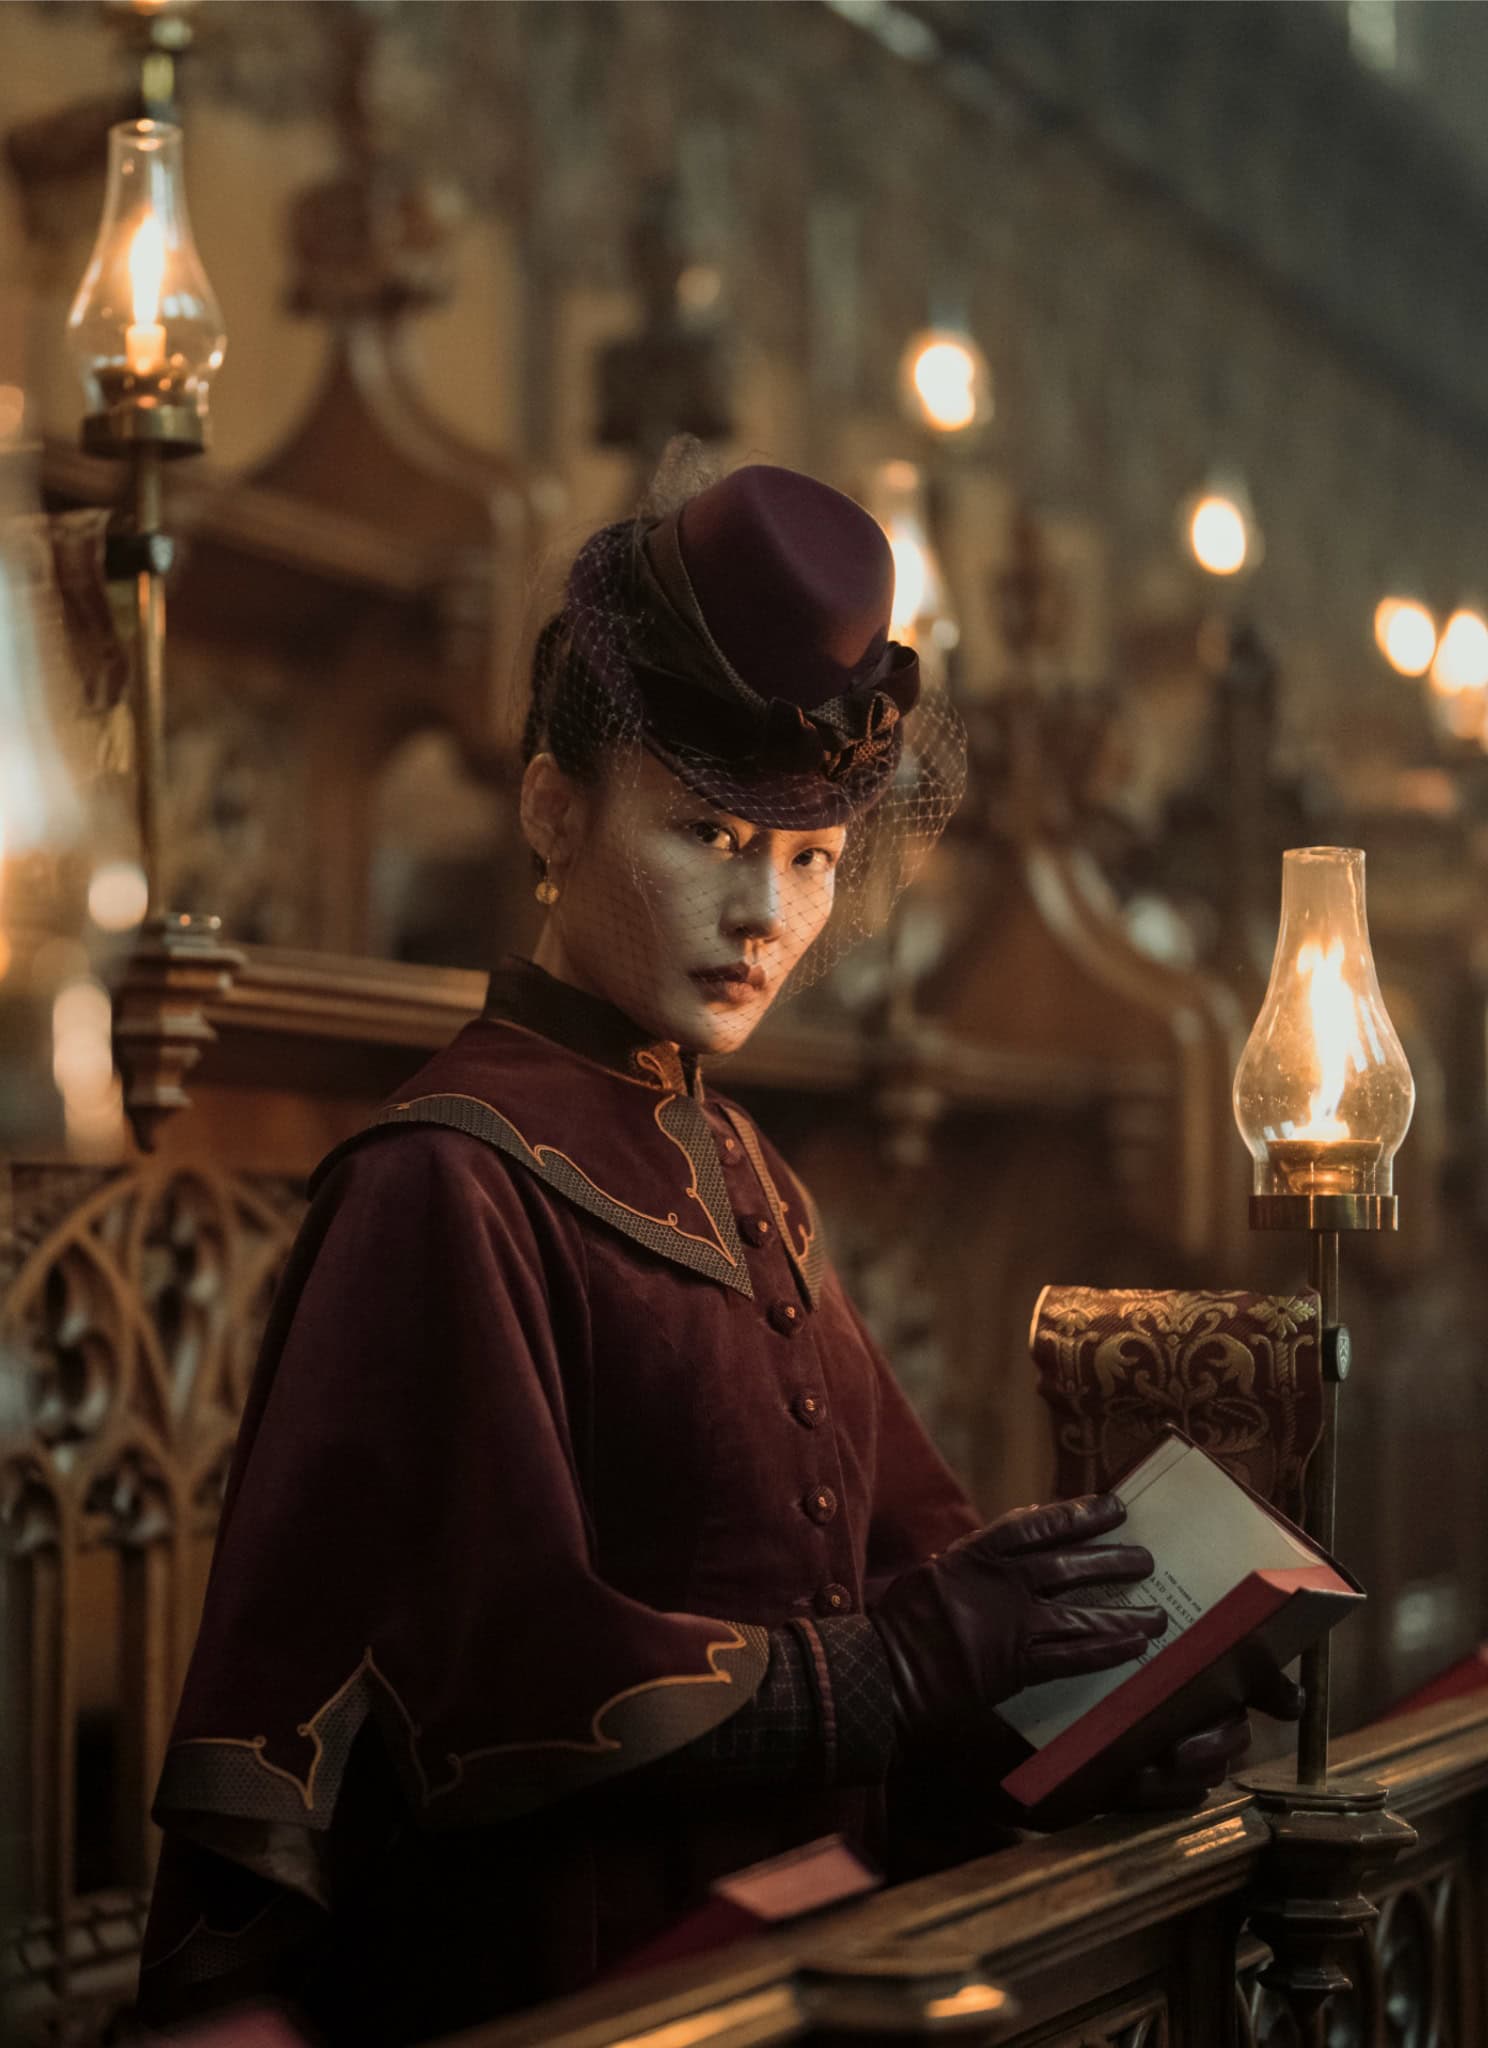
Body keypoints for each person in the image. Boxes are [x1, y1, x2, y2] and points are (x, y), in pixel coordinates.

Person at [137, 462, 1297, 2043]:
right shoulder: (445, 1180)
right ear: (553, 807)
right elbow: (498, 1682)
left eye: (812, 856)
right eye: (708, 832)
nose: (766, 913)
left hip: (807, 1989)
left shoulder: (752, 1176)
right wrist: (904, 1668)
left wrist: (1089, 1725)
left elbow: (911, 1605)